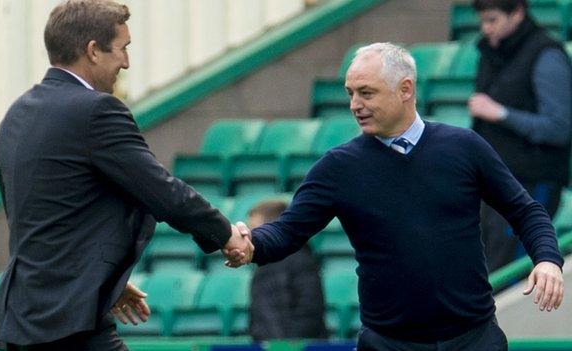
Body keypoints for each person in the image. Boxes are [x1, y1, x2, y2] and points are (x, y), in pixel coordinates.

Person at [233, 43, 564, 351]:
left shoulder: (464, 147)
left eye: (366, 93)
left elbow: (526, 212)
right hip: (388, 344)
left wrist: (547, 259)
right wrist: (252, 244)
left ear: (406, 89)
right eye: (350, 94)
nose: (354, 105)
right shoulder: (338, 167)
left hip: (473, 340)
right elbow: (288, 231)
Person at [0, 1, 252, 350]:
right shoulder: (96, 110)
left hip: (21, 315)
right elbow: (161, 190)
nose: (126, 62)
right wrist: (225, 234)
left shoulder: (17, 113)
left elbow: (42, 219)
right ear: (93, 51)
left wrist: (101, 281)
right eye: (123, 49)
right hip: (67, 325)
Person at [468, 0, 572, 272]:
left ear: (517, 13)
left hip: (530, 183)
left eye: (492, 20)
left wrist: (501, 113)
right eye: (482, 21)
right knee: (484, 271)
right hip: (490, 184)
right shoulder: (490, 52)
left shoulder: (547, 55)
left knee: (508, 274)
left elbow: (558, 127)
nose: (485, 28)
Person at [247, 200, 327, 341]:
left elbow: (309, 309)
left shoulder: (301, 260)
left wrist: (287, 345)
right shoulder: (264, 263)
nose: (248, 236)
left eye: (254, 228)